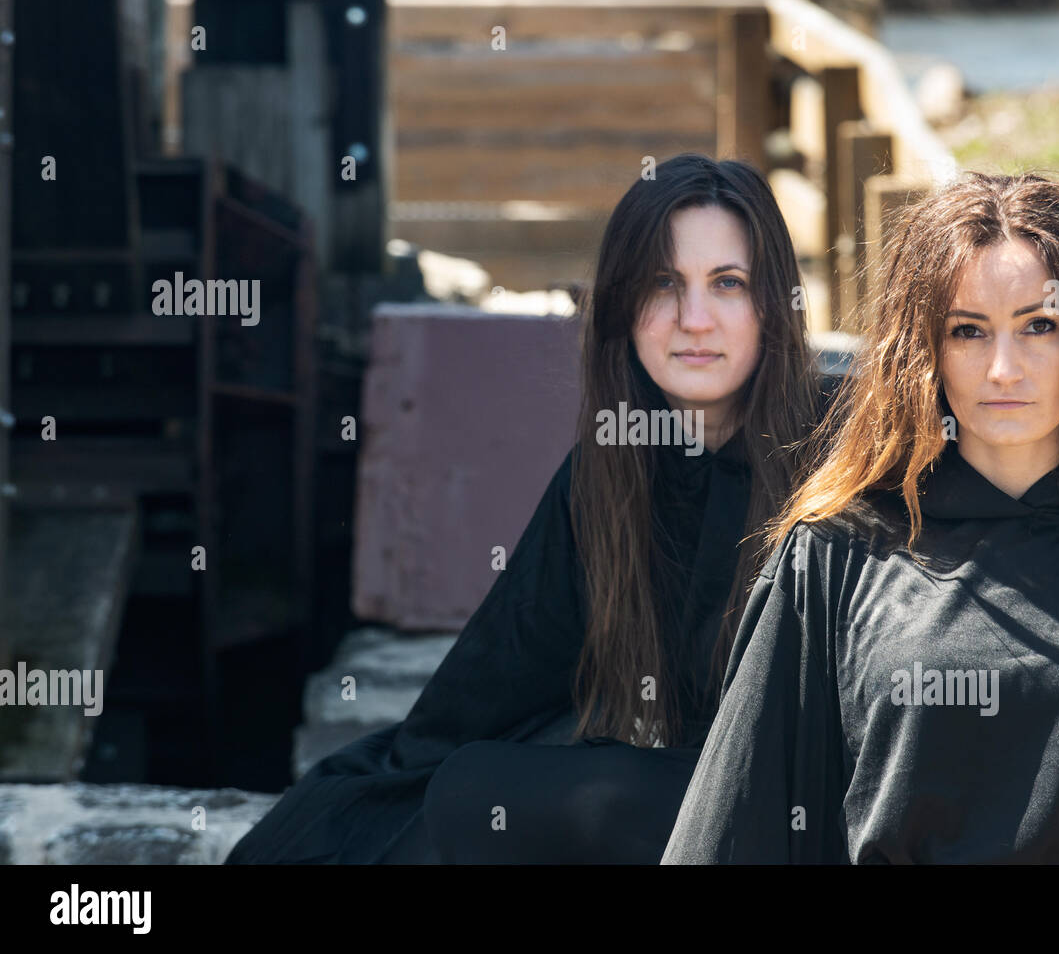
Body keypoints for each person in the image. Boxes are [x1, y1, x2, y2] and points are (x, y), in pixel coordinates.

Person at [661, 171, 1059, 864]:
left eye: (1039, 326)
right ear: (921, 352)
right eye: (968, 331)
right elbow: (728, 839)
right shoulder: (832, 558)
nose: (1003, 368)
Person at [225, 153, 832, 863]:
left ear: (772, 304)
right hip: (692, 809)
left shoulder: (842, 450)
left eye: (727, 284)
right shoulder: (611, 473)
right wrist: (339, 811)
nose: (693, 320)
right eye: (664, 284)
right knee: (474, 787)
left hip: (829, 812)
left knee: (592, 796)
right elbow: (491, 682)